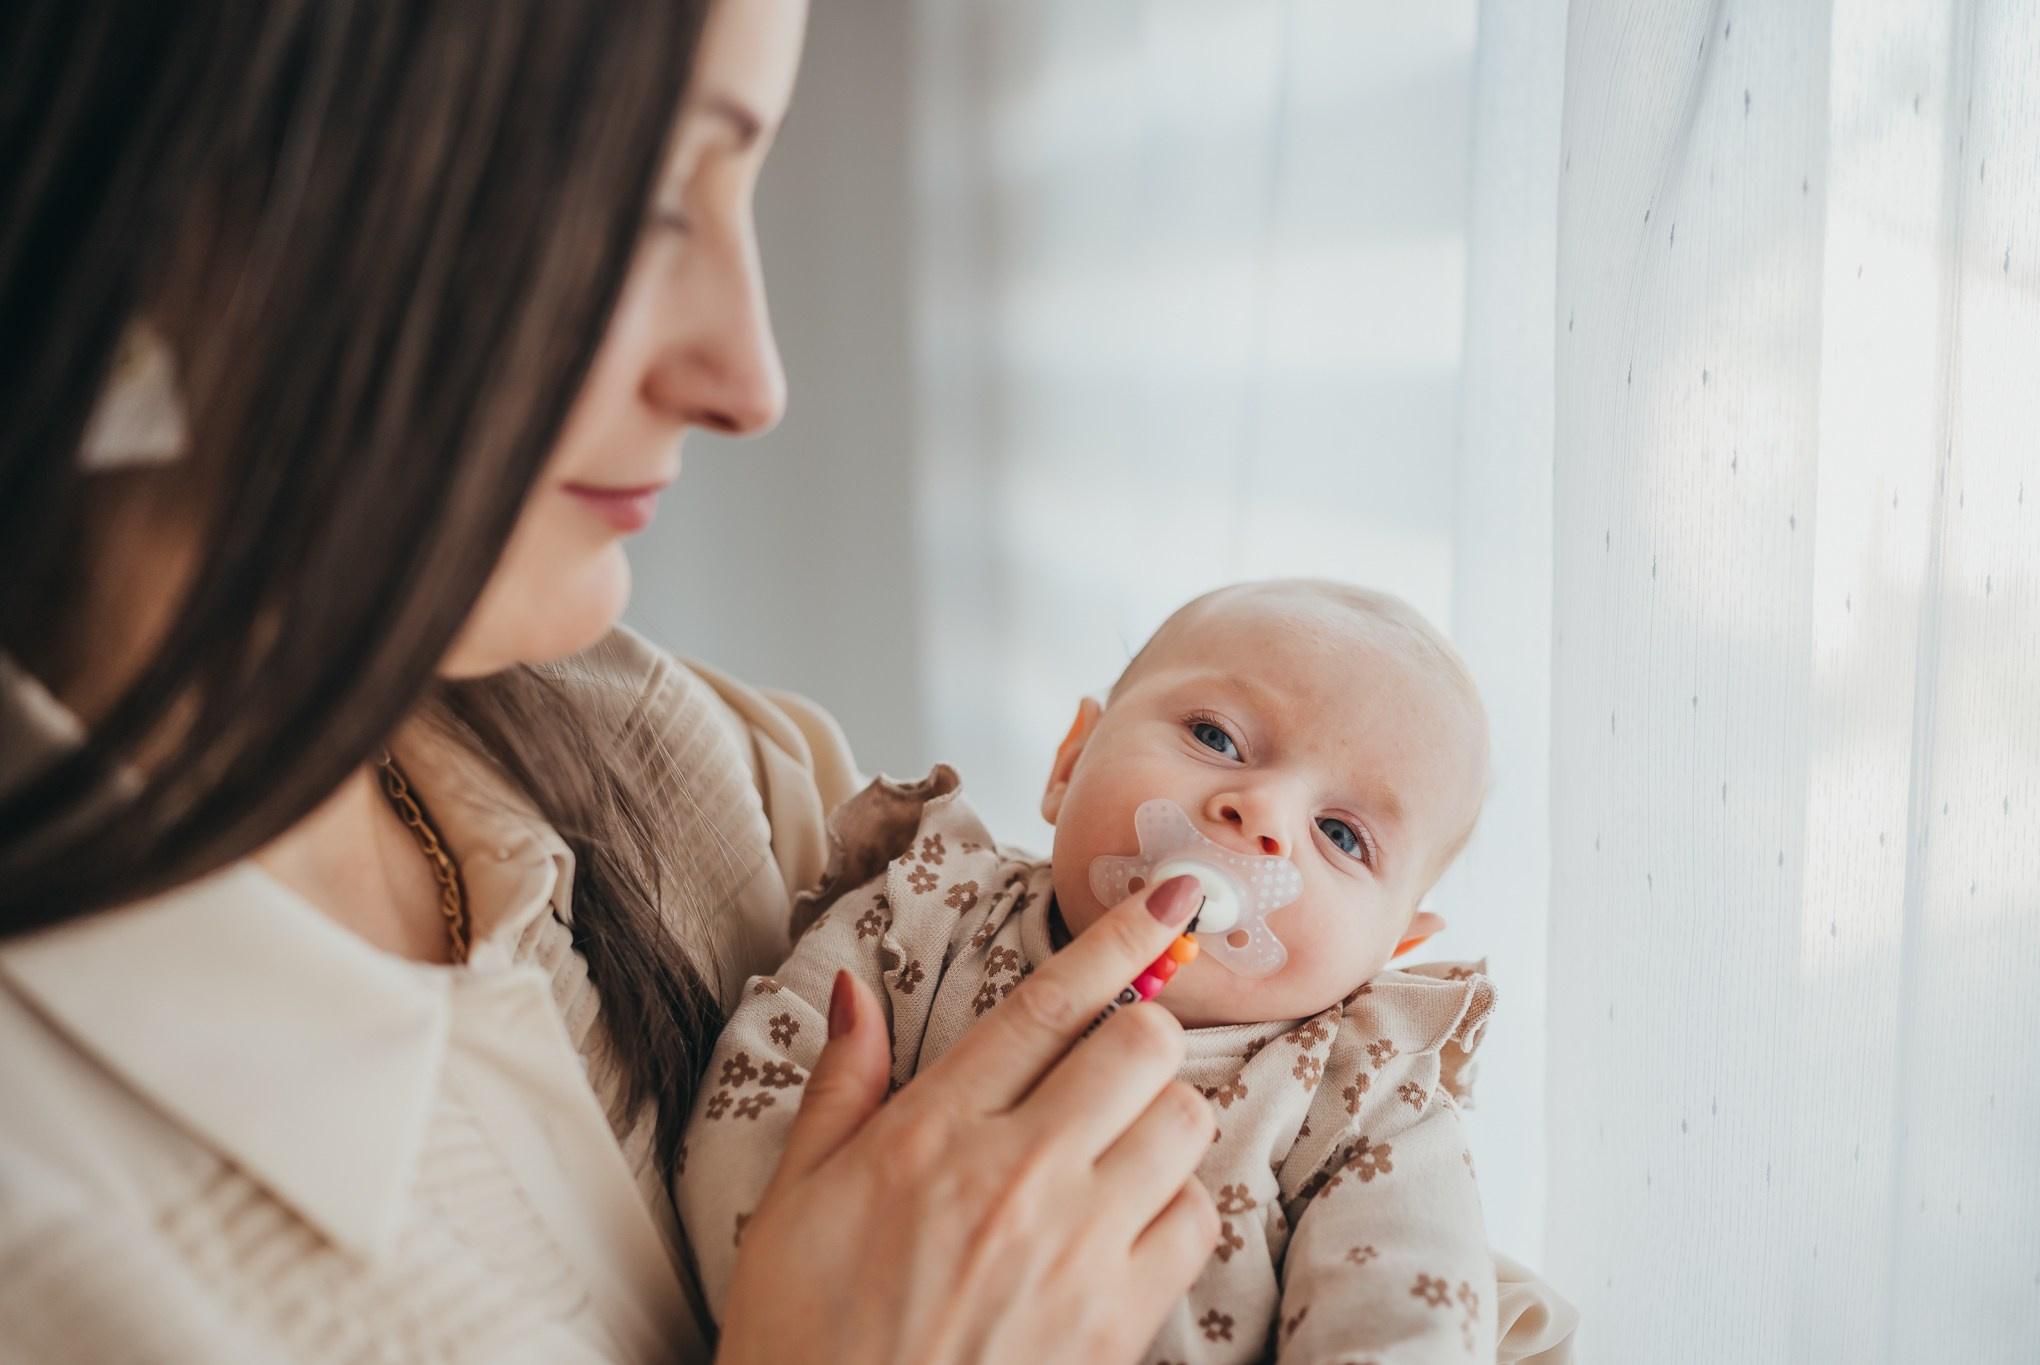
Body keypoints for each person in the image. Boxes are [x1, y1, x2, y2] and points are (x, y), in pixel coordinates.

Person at [0, 1, 1226, 1360]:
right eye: (636, 198)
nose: (751, 380)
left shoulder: (684, 762)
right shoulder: (57, 1234)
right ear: (168, 191)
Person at [680, 581, 1580, 1362]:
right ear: (1070, 764)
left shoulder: (1365, 1097)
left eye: (1343, 835)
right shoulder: (923, 908)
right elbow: (755, 1100)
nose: (1260, 811)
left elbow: (1402, 1315)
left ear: (1391, 950)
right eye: (1216, 736)